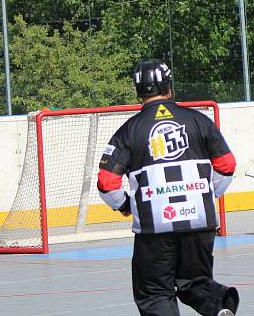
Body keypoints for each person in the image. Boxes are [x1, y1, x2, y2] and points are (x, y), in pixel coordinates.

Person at [97, 59, 239, 316]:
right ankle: (220, 307)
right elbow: (227, 164)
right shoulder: (199, 121)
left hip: (155, 229)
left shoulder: (128, 131)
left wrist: (126, 205)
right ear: (169, 87)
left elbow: (107, 183)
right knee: (193, 283)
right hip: (200, 221)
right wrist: (209, 192)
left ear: (138, 91)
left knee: (154, 294)